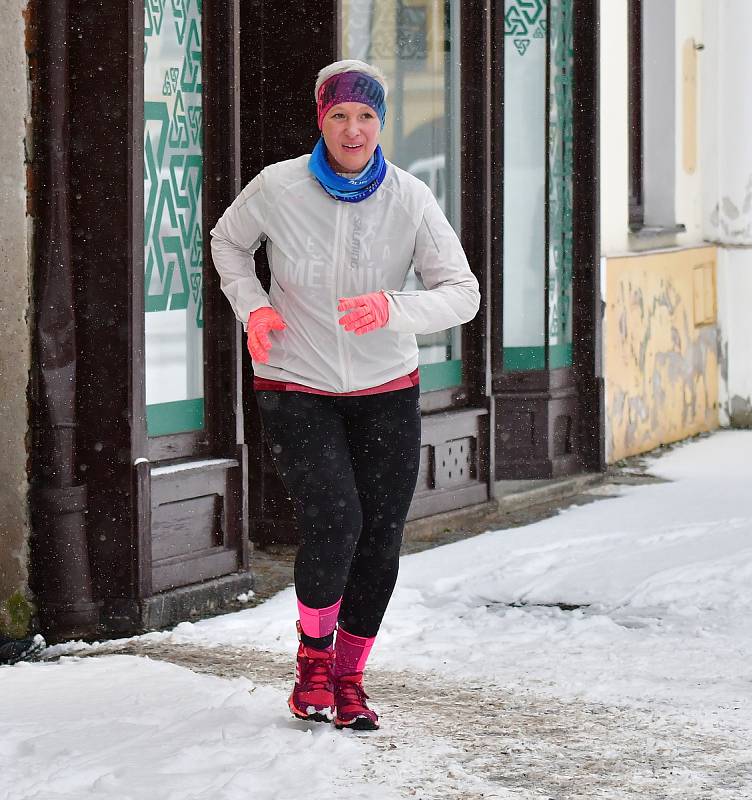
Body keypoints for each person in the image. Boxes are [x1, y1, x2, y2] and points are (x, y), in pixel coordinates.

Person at [210, 59, 479, 730]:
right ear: (320, 119)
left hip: (385, 387)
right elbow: (227, 244)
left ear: (380, 122)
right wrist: (254, 309)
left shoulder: (410, 199)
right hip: (294, 381)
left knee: (380, 536)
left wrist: (392, 309)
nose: (352, 129)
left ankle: (350, 679)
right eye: (338, 116)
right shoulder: (278, 187)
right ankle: (312, 661)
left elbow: (461, 295)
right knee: (335, 521)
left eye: (364, 116)